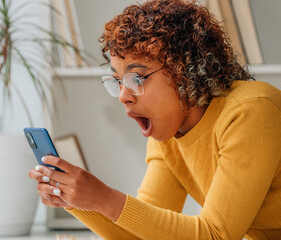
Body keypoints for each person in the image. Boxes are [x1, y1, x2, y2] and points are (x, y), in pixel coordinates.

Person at [28, 0, 281, 239]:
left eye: (136, 78)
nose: (123, 96)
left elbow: (216, 235)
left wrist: (105, 198)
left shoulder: (251, 110)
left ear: (183, 71)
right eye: (117, 82)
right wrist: (77, 201)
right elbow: (142, 233)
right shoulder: (168, 133)